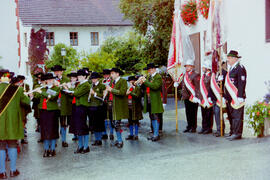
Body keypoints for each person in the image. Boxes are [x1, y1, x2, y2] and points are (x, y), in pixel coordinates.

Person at [0, 70, 30, 179]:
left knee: (1, 147)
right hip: (13, 124)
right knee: (12, 145)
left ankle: (2, 172)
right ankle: (13, 170)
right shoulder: (18, 90)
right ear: (10, 78)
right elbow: (27, 102)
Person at [35, 73, 60, 157]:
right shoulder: (43, 88)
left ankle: (52, 149)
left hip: (52, 111)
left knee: (53, 130)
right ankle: (46, 149)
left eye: (51, 79)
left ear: (53, 80)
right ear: (45, 81)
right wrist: (33, 94)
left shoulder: (56, 88)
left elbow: (52, 97)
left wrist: (42, 91)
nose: (49, 81)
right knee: (44, 131)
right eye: (47, 80)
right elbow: (36, 97)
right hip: (43, 111)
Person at [224, 50, 247, 141]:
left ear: (234, 58)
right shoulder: (231, 68)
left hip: (237, 97)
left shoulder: (240, 68)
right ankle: (232, 131)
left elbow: (242, 83)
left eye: (229, 58)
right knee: (231, 115)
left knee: (237, 116)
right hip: (230, 97)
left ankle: (237, 133)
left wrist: (240, 96)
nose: (228, 60)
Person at [138, 63, 164, 141]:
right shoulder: (149, 77)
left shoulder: (158, 77)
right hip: (149, 99)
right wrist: (141, 83)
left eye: (149, 70)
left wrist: (145, 81)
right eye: (148, 70)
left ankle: (156, 134)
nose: (148, 71)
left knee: (156, 116)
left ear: (154, 69)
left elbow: (155, 86)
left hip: (155, 99)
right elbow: (145, 87)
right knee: (151, 116)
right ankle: (154, 133)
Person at [105, 68, 128, 148]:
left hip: (118, 105)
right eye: (111, 74)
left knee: (117, 123)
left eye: (112, 73)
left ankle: (120, 141)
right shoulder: (112, 82)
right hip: (111, 105)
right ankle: (118, 139)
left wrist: (111, 89)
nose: (111, 75)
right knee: (113, 123)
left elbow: (122, 92)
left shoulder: (123, 81)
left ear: (117, 74)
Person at [51, 65, 70, 147]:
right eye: (55, 71)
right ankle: (54, 141)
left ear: (62, 71)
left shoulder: (66, 79)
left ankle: (64, 140)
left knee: (63, 123)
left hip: (63, 104)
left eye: (58, 71)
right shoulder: (51, 80)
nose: (56, 73)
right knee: (54, 123)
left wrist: (59, 85)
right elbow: (49, 91)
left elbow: (68, 91)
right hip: (54, 104)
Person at [180, 60, 201, 133]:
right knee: (188, 112)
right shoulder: (185, 75)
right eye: (186, 66)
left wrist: (197, 96)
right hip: (186, 96)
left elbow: (197, 87)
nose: (187, 67)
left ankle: (193, 127)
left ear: (192, 66)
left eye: (188, 66)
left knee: (193, 112)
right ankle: (189, 126)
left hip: (193, 96)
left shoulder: (196, 74)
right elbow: (183, 85)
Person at [73, 69, 91, 154]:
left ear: (84, 76)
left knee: (83, 127)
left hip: (83, 107)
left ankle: (86, 146)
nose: (78, 78)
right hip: (78, 107)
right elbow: (76, 92)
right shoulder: (80, 84)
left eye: (80, 76)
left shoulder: (86, 85)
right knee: (78, 127)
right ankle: (80, 146)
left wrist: (71, 89)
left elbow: (76, 93)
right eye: (78, 76)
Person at [209, 61, 228, 137]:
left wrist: (225, 97)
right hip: (214, 97)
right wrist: (209, 96)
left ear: (222, 64)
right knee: (216, 114)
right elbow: (211, 86)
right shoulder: (214, 73)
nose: (217, 66)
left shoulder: (225, 73)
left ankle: (221, 130)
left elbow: (226, 86)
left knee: (218, 112)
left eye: (218, 64)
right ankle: (218, 129)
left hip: (220, 97)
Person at [88, 72, 106, 146]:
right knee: (93, 124)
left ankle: (99, 139)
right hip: (91, 106)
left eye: (94, 78)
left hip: (99, 107)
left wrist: (94, 93)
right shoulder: (90, 86)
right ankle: (96, 139)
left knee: (99, 124)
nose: (93, 80)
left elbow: (103, 97)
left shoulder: (102, 86)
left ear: (98, 78)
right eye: (92, 78)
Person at [198, 61, 214, 134]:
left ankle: (209, 128)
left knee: (209, 114)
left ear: (207, 68)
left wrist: (210, 96)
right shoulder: (203, 76)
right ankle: (204, 127)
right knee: (203, 114)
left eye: (203, 67)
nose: (202, 68)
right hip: (203, 99)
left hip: (208, 98)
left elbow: (211, 87)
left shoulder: (211, 76)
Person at [125, 76, 143, 140]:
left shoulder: (138, 88)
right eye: (130, 81)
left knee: (136, 121)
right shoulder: (128, 88)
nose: (131, 82)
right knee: (130, 121)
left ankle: (136, 134)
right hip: (128, 106)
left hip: (136, 107)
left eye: (133, 81)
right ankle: (131, 134)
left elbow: (137, 96)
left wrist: (130, 92)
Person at [65, 72, 79, 141]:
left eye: (73, 78)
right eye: (71, 78)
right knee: (72, 120)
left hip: (77, 103)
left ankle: (78, 133)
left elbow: (75, 93)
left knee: (78, 119)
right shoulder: (71, 84)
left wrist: (68, 88)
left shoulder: (78, 84)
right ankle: (75, 134)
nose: (71, 79)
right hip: (72, 104)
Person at [101, 69, 114, 140]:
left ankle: (111, 132)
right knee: (104, 117)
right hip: (103, 101)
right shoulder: (102, 81)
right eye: (104, 74)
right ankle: (104, 133)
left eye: (107, 74)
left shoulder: (112, 81)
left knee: (111, 117)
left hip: (110, 101)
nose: (105, 76)